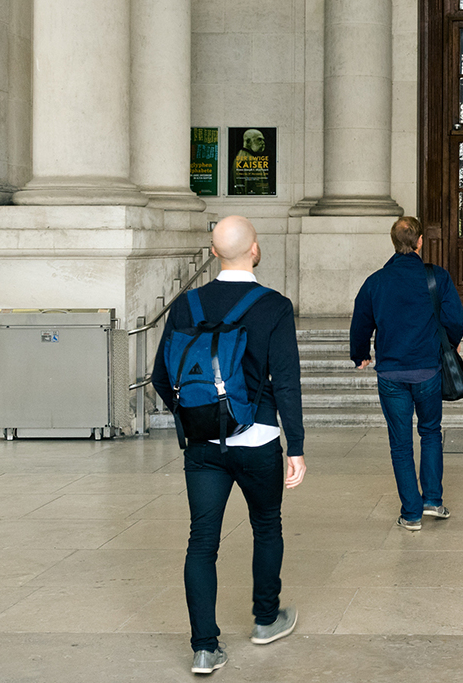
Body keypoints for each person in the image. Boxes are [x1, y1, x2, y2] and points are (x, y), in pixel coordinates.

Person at [150, 216, 305, 675]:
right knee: (267, 525)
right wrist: (294, 447)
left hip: (202, 444)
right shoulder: (273, 306)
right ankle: (265, 618)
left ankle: (204, 647)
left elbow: (162, 378)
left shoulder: (187, 305)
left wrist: (195, 416)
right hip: (257, 438)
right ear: (254, 250)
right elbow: (288, 382)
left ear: (214, 253)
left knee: (202, 541)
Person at [351, 216, 463, 532]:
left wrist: (360, 355)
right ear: (419, 243)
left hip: (390, 372)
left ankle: (411, 514)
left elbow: (360, 322)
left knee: (400, 442)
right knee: (430, 431)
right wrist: (452, 343)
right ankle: (432, 501)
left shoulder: (376, 281)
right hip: (427, 369)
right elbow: (454, 319)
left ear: (393, 242)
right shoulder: (437, 277)